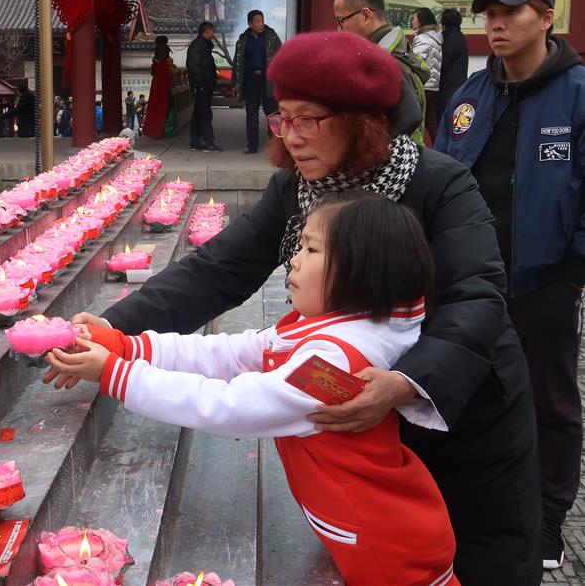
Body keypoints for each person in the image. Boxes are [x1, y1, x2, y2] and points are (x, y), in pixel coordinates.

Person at [66, 31, 542, 585]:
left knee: (480, 558)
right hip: (361, 429)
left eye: (308, 120)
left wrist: (405, 383)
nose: (291, 137)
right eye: (282, 119)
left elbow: (477, 295)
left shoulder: (439, 184)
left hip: (457, 408)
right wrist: (113, 331)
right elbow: (217, 269)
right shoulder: (297, 189)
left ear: (362, 121)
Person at [46, 193, 458, 586]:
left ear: (361, 272)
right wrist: (127, 344)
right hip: (373, 531)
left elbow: (230, 406)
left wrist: (118, 374)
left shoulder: (334, 365)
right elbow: (231, 352)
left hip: (385, 555)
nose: (293, 261)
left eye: (312, 251)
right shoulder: (332, 329)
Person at [434, 0, 585, 572]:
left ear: (545, 18)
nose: (495, 24)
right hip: (468, 282)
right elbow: (439, 178)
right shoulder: (472, 95)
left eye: (511, 13)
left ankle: (547, 521)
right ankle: (469, 507)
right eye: (488, 13)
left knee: (550, 401)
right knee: (462, 388)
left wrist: (571, 268)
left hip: (544, 280)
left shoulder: (577, 92)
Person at [332, 0, 430, 146]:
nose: (338, 31)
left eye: (341, 21)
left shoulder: (388, 67)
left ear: (365, 15)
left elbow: (396, 139)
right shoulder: (399, 51)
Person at [233, 10, 283, 154]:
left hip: (268, 80)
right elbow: (237, 62)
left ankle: (275, 146)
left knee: (272, 114)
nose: (261, 24)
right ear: (250, 24)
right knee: (251, 114)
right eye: (257, 21)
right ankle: (252, 145)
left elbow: (281, 55)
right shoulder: (243, 39)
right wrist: (236, 83)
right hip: (250, 80)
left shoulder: (272, 37)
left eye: (262, 20)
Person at [185, 21, 222, 152]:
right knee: (205, 113)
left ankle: (195, 142)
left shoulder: (203, 46)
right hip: (202, 85)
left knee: (198, 114)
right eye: (212, 31)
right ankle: (207, 141)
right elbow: (194, 66)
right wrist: (200, 83)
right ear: (206, 31)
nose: (213, 34)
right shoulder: (197, 46)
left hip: (205, 85)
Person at [411, 7, 443, 144]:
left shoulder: (423, 38)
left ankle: (418, 148)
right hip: (433, 85)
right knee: (431, 120)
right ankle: (439, 146)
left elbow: (417, 61)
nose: (412, 22)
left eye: (414, 18)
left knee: (417, 119)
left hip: (423, 84)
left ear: (421, 21)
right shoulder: (435, 37)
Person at [438, 9, 468, 128]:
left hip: (448, 89)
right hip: (459, 86)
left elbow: (443, 65)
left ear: (443, 24)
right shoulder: (459, 36)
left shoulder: (450, 40)